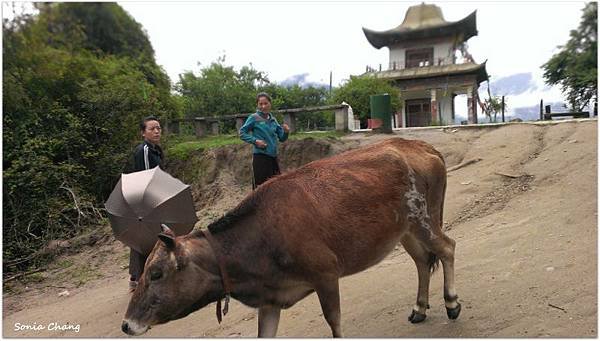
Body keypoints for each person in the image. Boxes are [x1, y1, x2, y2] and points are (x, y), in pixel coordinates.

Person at [129, 116, 163, 291]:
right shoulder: (144, 150)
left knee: (144, 236)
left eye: (158, 128)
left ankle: (138, 277)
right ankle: (138, 278)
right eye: (152, 129)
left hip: (152, 197)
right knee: (145, 237)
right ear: (143, 133)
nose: (157, 131)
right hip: (145, 198)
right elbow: (148, 177)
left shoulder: (156, 149)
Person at [239, 92, 290, 189]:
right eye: (260, 104)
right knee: (260, 188)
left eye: (265, 103)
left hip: (273, 158)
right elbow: (242, 133)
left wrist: (286, 132)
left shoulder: (273, 120)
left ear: (270, 103)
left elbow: (282, 138)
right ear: (257, 105)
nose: (263, 106)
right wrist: (255, 141)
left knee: (275, 186)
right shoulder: (254, 118)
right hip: (260, 158)